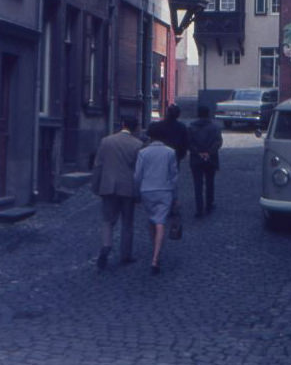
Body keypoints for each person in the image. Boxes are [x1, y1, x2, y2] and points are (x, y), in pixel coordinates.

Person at [92, 115, 143, 270]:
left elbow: (98, 165)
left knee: (108, 220)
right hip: (128, 188)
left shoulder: (106, 141)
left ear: (122, 124)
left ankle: (106, 246)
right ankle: (125, 254)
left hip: (109, 186)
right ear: (135, 128)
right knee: (127, 222)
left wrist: (96, 185)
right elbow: (139, 171)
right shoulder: (138, 144)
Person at [134, 120, 178, 274]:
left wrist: (137, 190)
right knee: (160, 222)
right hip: (164, 190)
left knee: (153, 220)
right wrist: (175, 195)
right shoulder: (170, 152)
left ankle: (155, 250)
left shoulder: (143, 153)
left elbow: (137, 175)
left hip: (147, 191)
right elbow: (174, 176)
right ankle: (155, 258)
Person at [188, 105, 223, 218]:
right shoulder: (215, 127)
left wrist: (198, 153)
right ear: (208, 114)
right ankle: (209, 205)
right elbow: (218, 142)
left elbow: (189, 143)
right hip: (211, 158)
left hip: (196, 159)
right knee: (210, 182)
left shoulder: (191, 127)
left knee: (197, 184)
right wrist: (209, 153)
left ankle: (199, 209)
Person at [149, 103, 188, 167]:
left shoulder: (157, 125)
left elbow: (149, 135)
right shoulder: (182, 127)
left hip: (159, 154)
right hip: (175, 154)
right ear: (178, 115)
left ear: (167, 113)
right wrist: (180, 155)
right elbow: (185, 143)